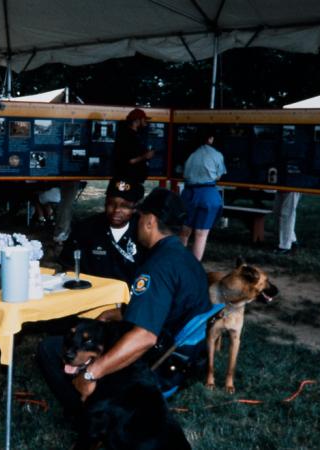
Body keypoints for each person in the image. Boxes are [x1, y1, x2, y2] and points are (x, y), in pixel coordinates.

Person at [37, 188, 211, 419]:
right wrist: (120, 313)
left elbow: (144, 337)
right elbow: (169, 309)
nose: (136, 223)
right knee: (97, 334)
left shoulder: (157, 267)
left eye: (139, 218)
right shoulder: (185, 258)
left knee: (50, 349)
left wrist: (91, 373)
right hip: (183, 359)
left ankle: (87, 415)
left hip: (159, 367)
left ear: (150, 221)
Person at [59, 179, 144, 288]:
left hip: (132, 298)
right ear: (105, 203)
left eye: (125, 206)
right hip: (94, 295)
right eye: (111, 204)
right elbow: (68, 265)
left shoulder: (142, 231)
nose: (116, 210)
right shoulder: (85, 229)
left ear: (135, 208)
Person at [179, 130, 226, 261]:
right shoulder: (216, 154)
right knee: (201, 233)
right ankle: (194, 266)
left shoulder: (190, 153)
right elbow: (219, 175)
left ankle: (178, 261)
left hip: (188, 193)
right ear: (210, 138)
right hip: (208, 194)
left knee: (184, 231)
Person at [112, 108, 154, 186]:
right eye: (144, 119)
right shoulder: (127, 136)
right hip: (126, 179)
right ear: (137, 120)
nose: (146, 122)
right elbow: (129, 160)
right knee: (121, 197)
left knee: (127, 197)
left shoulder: (133, 135)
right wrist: (146, 156)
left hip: (132, 180)